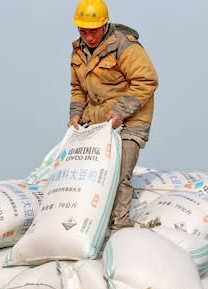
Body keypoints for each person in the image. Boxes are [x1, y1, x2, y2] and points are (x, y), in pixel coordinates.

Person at [67, 0, 159, 232]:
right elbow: (77, 88)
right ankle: (89, 225)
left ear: (104, 25)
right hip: (98, 121)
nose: (88, 37)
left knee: (119, 173)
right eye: (82, 31)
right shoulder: (78, 50)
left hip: (131, 119)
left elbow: (146, 81)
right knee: (88, 172)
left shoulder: (125, 46)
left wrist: (120, 112)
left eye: (93, 31)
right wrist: (76, 114)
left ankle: (119, 226)